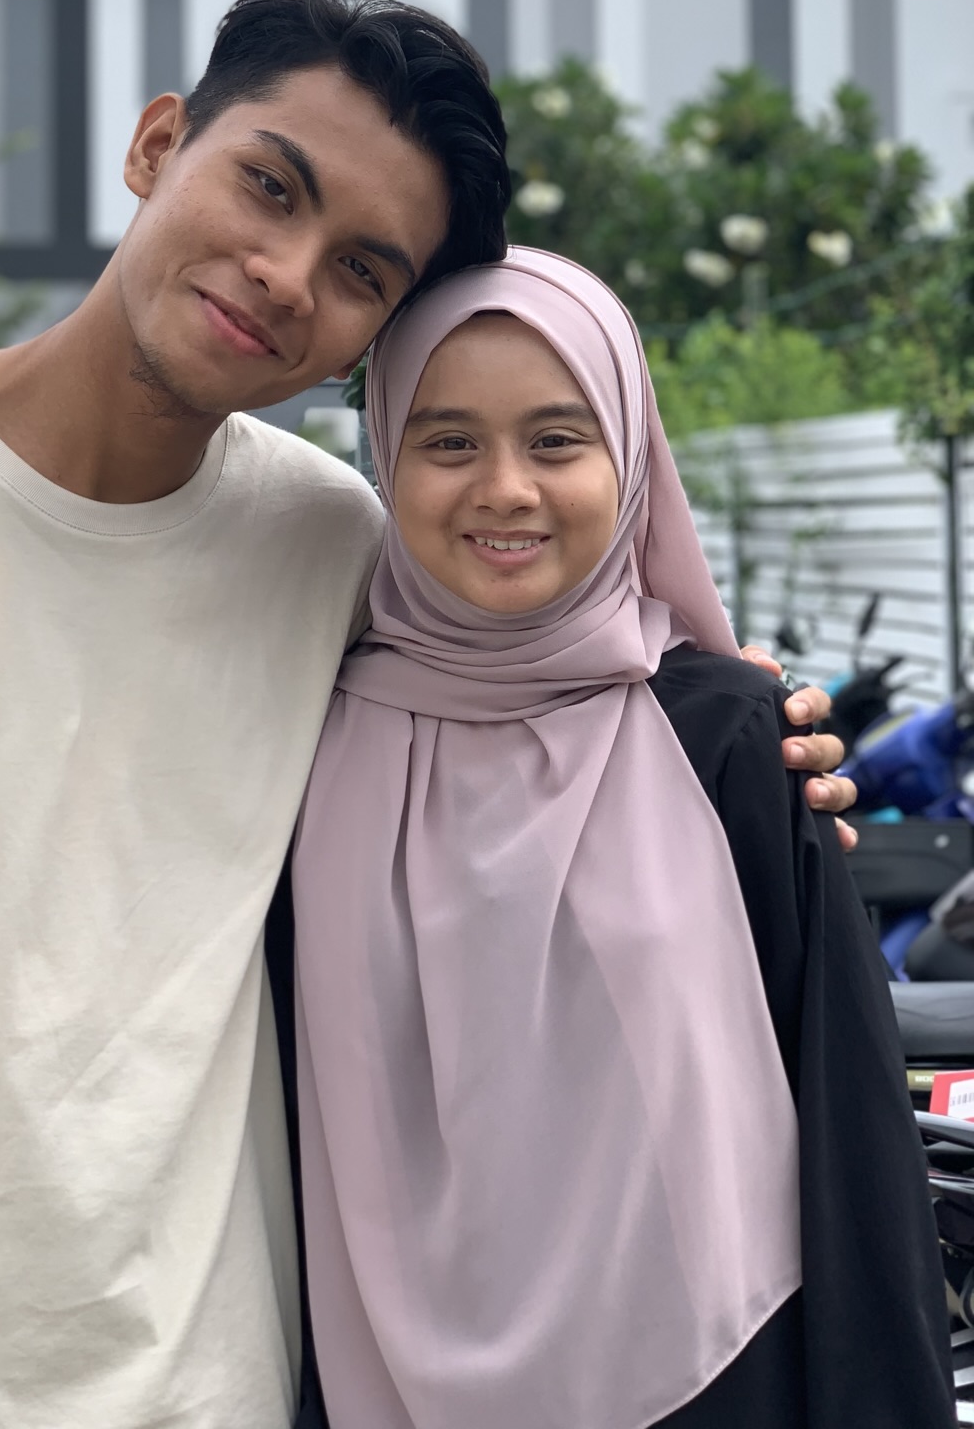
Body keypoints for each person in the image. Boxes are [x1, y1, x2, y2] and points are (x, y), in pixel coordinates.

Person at [0, 0, 849, 1429]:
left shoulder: (334, 547)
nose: (286, 274)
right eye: (269, 186)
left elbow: (539, 698)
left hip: (206, 1387)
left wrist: (746, 728)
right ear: (156, 145)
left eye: (362, 268)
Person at [291, 249, 950, 1429]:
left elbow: (848, 1122)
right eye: (449, 441)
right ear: (386, 453)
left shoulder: (727, 735)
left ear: (631, 456)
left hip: (719, 1371)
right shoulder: (303, 728)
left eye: (557, 439)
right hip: (379, 1375)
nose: (506, 488)